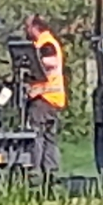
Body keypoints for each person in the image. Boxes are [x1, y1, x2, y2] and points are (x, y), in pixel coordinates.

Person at [22, 14, 67, 180]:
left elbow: (50, 63)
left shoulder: (46, 44)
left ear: (35, 28)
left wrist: (30, 64)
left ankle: (35, 172)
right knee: (49, 137)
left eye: (27, 27)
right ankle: (51, 174)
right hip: (53, 98)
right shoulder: (47, 42)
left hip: (44, 97)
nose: (26, 31)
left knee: (36, 134)